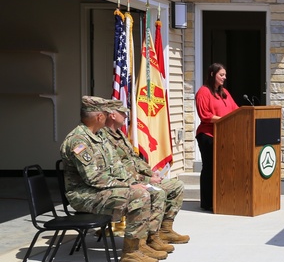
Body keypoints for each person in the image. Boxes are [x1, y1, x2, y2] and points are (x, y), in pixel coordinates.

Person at [60, 96, 163, 262]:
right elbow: (94, 178)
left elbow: (117, 168)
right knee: (139, 195)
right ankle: (130, 253)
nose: (108, 117)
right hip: (84, 194)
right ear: (99, 117)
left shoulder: (99, 136)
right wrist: (129, 186)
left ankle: (141, 244)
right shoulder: (78, 141)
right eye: (106, 114)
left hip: (101, 190)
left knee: (150, 191)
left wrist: (137, 181)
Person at [101, 98, 190, 246]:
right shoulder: (103, 138)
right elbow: (118, 169)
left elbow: (134, 159)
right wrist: (147, 180)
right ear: (112, 115)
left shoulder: (120, 135)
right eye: (122, 113)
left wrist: (150, 173)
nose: (126, 116)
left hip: (138, 178)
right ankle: (149, 237)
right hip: (126, 182)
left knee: (177, 185)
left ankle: (165, 231)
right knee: (158, 192)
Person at [195, 63, 240, 212]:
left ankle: (220, 199)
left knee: (222, 168)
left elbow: (236, 110)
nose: (224, 78)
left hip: (224, 136)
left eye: (225, 75)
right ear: (213, 74)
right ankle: (208, 202)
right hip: (207, 135)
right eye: (221, 75)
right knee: (210, 168)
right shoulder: (203, 92)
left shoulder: (224, 92)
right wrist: (222, 120)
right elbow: (205, 115)